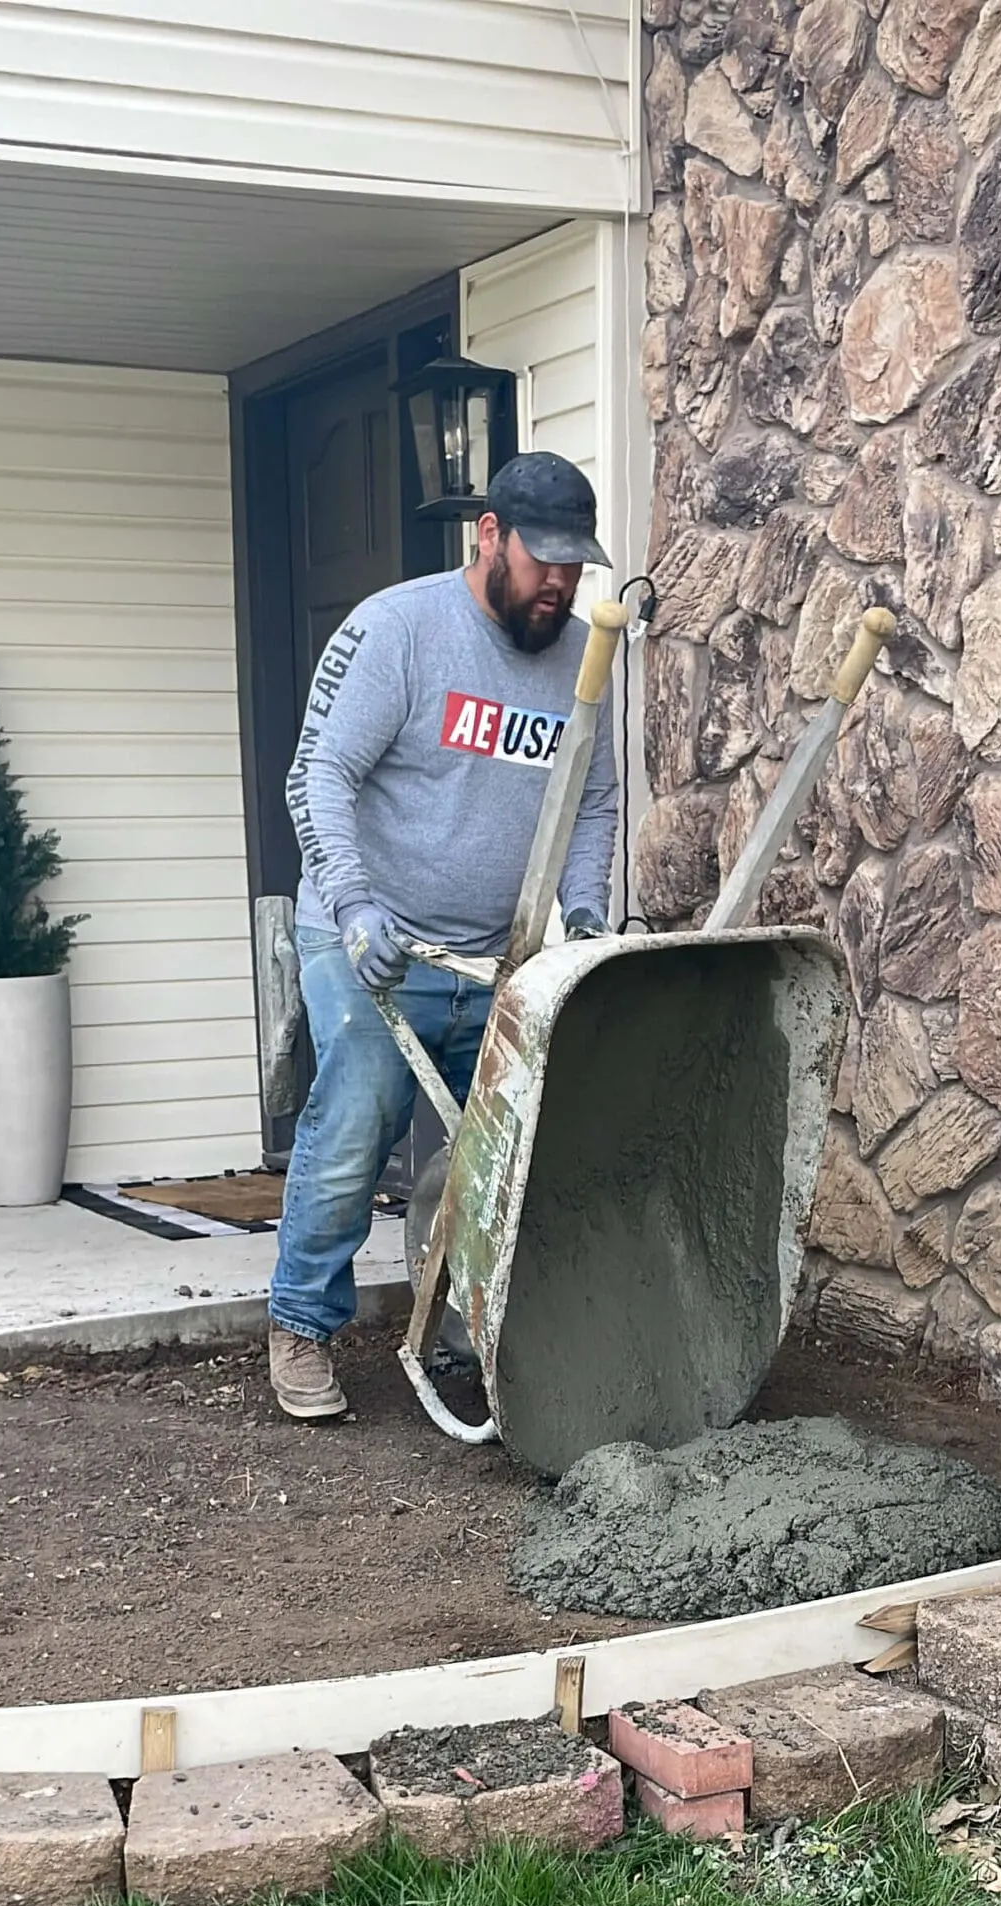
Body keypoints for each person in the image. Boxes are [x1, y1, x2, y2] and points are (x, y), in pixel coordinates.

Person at [267, 450, 619, 1421]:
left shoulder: (586, 656)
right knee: (358, 1115)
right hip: (374, 935)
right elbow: (319, 777)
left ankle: (468, 1331)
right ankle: (301, 1327)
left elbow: (592, 802)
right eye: (541, 559)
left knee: (504, 1148)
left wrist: (581, 915)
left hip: (495, 953)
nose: (557, 582)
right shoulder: (400, 630)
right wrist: (351, 903)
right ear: (489, 537)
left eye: (572, 565)